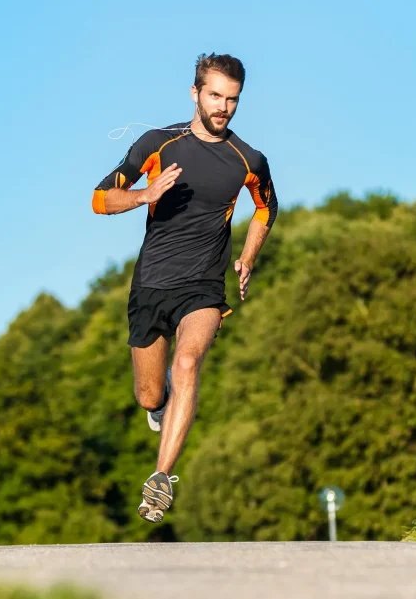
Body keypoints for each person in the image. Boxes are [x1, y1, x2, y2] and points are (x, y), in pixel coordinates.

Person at [91, 53, 278, 523]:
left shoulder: (248, 160)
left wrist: (248, 256)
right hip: (152, 284)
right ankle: (162, 406)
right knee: (150, 395)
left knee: (189, 362)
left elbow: (265, 209)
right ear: (195, 93)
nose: (224, 108)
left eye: (232, 99)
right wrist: (143, 196)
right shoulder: (159, 143)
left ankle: (160, 479)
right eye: (215, 96)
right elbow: (99, 198)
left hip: (203, 285)